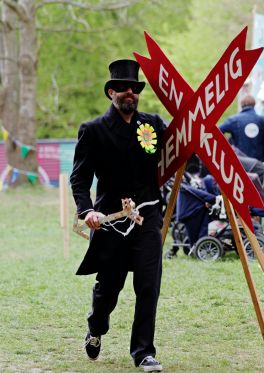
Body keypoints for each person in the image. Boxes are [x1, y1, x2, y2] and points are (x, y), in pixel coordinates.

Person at [70, 59, 166, 372]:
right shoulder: (93, 130)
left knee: (149, 286)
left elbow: (178, 151)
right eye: (123, 88)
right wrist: (87, 210)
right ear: (111, 92)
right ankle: (96, 329)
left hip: (147, 218)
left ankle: (143, 353)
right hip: (110, 220)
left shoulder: (152, 124)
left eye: (135, 89)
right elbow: (80, 178)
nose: (130, 93)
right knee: (108, 290)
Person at [219, 95, 264, 162]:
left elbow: (218, 131)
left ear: (241, 105)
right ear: (254, 104)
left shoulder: (233, 120)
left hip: (241, 160)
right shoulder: (262, 120)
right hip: (259, 160)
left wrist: (228, 145)